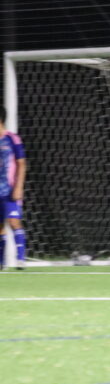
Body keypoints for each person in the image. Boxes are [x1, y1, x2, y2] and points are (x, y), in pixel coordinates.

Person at [0, 106, 27, 271]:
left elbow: (22, 163)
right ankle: (1, 262)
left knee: (14, 221)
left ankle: (21, 259)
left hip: (10, 189)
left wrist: (19, 187)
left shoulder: (12, 139)